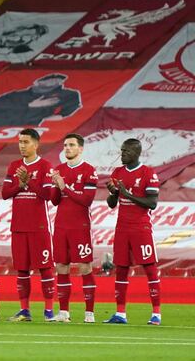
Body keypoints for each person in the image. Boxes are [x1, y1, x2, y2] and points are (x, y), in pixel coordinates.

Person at [104, 139, 161, 325]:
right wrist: (113, 193)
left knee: (150, 268)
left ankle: (156, 314)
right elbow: (112, 204)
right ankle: (120, 313)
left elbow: (152, 203)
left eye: (126, 151)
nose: (122, 154)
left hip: (141, 228)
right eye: (121, 150)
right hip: (122, 228)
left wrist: (126, 194)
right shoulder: (117, 173)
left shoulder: (148, 173)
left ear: (137, 152)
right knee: (121, 269)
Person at [2, 128, 55, 322]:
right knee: (22, 269)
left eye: (25, 142)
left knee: (45, 267)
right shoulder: (14, 165)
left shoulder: (45, 166)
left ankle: (49, 311)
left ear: (36, 144)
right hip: (18, 226)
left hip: (38, 226)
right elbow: (5, 193)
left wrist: (29, 183)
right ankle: (24, 311)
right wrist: (21, 184)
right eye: (20, 142)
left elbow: (47, 195)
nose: (22, 145)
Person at [49, 133, 98, 323]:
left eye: (71, 145)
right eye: (65, 145)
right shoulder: (59, 169)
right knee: (61, 266)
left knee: (84, 266)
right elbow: (54, 201)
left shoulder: (89, 170)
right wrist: (56, 185)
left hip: (80, 225)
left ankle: (89, 313)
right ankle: (63, 313)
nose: (67, 148)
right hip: (61, 225)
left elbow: (86, 200)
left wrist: (65, 186)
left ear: (80, 148)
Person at [0, 73, 81, 128]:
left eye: (58, 80)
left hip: (27, 127)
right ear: (38, 82)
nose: (53, 82)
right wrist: (30, 105)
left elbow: (73, 104)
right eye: (48, 80)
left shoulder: (66, 94)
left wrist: (62, 115)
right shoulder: (16, 95)